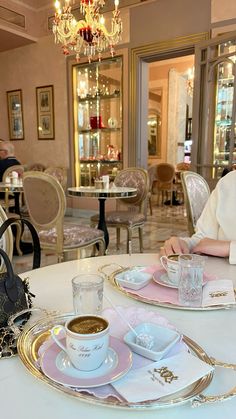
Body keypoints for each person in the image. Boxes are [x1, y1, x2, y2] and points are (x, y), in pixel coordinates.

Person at [162, 170, 236, 264]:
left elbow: (216, 247)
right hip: (220, 274)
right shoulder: (227, 182)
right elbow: (203, 239)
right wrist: (183, 245)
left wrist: (230, 248)